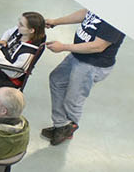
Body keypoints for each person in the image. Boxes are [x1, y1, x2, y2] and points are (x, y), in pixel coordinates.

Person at [40, 9, 124, 145]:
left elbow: (98, 46)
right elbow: (86, 13)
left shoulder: (117, 16)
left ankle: (68, 129)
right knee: (57, 80)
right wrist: (56, 21)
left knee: (73, 99)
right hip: (78, 55)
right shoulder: (104, 2)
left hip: (92, 64)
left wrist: (64, 47)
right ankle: (61, 125)